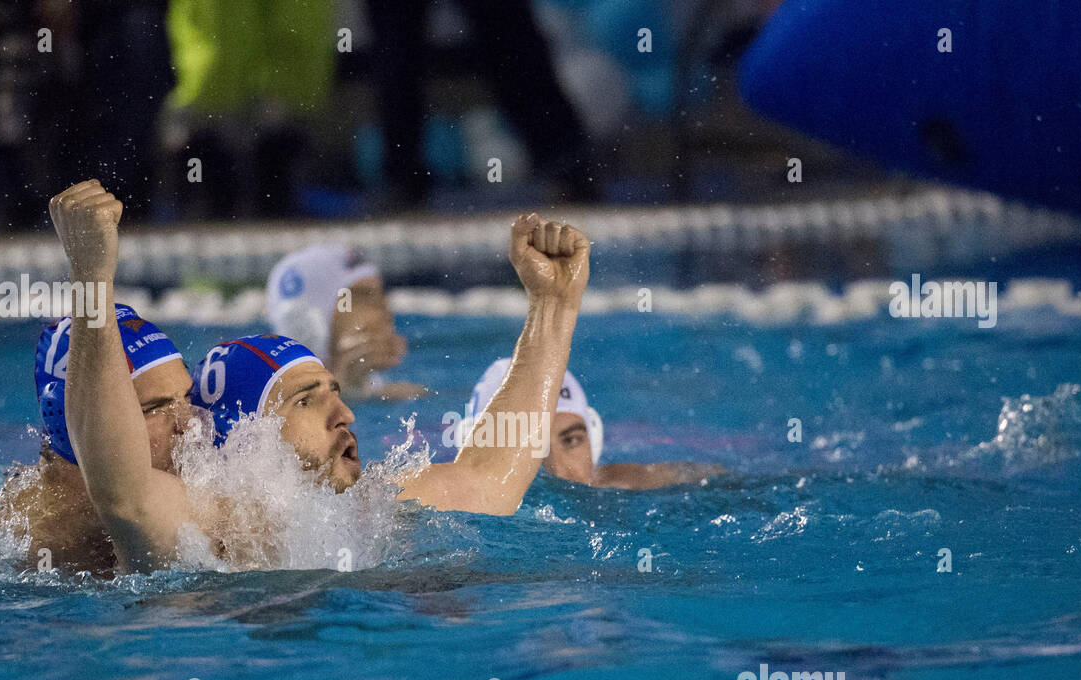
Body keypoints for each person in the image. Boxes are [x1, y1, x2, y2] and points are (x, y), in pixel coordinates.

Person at [49, 179, 589, 572]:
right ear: (246, 433)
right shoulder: (204, 532)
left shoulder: (365, 508)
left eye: (334, 391)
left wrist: (553, 305)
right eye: (306, 400)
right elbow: (122, 495)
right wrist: (92, 277)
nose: (345, 412)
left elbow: (487, 480)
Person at [0, 307, 196, 572]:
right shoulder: (28, 545)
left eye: (187, 397)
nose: (190, 425)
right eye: (155, 408)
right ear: (75, 424)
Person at [461, 358, 725, 489]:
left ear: (593, 439)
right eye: (527, 444)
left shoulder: (627, 486)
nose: (559, 473)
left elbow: (719, 477)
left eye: (572, 440)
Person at [265, 244, 426, 400]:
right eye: (362, 297)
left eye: (380, 295)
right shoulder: (264, 412)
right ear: (312, 321)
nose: (386, 311)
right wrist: (344, 391)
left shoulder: (392, 396)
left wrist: (354, 390)